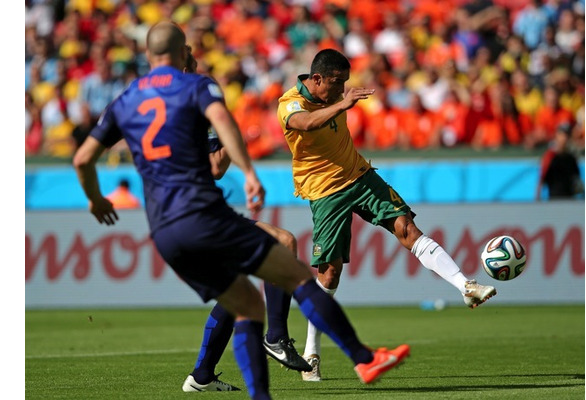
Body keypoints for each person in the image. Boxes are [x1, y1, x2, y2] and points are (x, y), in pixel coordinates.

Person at [73, 22, 409, 399]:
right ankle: (359, 357)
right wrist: (248, 171)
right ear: (183, 52)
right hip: (201, 212)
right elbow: (218, 160)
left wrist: (95, 199)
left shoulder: (126, 99)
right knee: (289, 260)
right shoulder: (197, 87)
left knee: (244, 299)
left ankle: (206, 375)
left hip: (163, 228)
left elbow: (82, 159)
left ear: (148, 55)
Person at [276, 48, 496, 382]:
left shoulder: (333, 95)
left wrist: (340, 102)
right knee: (330, 273)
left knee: (407, 227)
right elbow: (304, 124)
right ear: (317, 79)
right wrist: (342, 104)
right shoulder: (290, 103)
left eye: (345, 84)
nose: (342, 89)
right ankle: (312, 352)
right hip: (324, 192)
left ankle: (465, 285)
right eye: (337, 83)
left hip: (360, 175)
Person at [180, 47, 311, 392]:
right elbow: (213, 168)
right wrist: (240, 138)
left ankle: (202, 375)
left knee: (239, 288)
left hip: (199, 214)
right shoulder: (190, 112)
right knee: (282, 243)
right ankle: (276, 337)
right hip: (197, 217)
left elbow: (214, 169)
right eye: (190, 62)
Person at [536, 123, 584, 200]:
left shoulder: (571, 158)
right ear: (557, 135)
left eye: (567, 135)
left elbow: (576, 179)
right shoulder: (550, 156)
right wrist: (537, 198)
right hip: (555, 198)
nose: (565, 138)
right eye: (563, 135)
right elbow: (542, 178)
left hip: (570, 199)